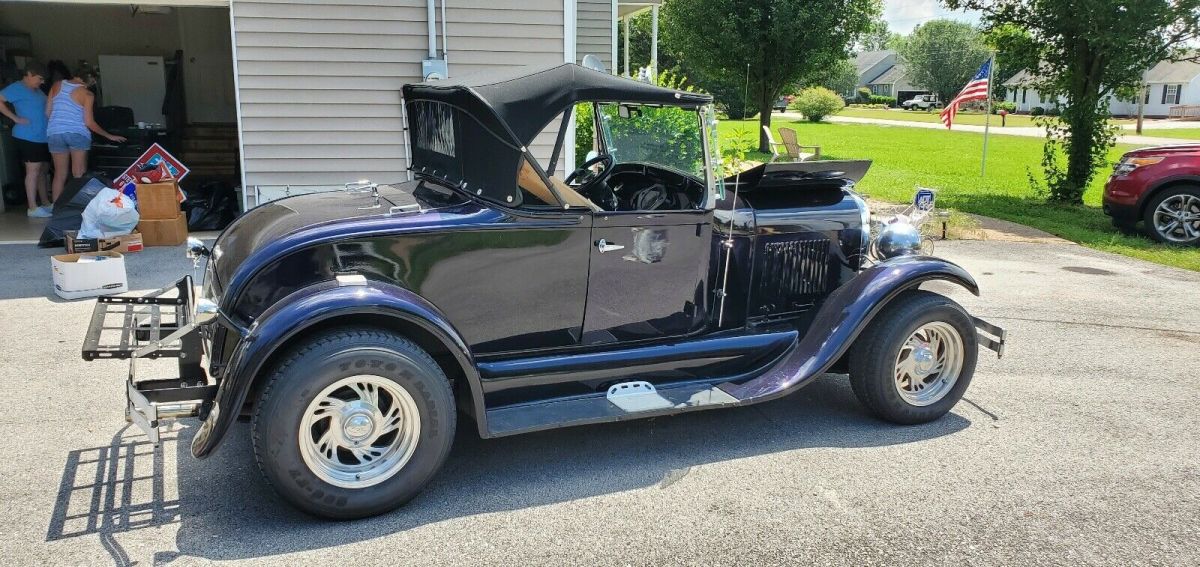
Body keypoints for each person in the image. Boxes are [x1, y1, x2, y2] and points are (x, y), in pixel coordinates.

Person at [45, 68, 125, 201]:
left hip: (55, 132)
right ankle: (77, 208)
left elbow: (48, 112)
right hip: (77, 133)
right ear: (90, 80)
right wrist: (109, 136)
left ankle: (57, 209)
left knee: (59, 174)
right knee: (78, 174)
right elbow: (89, 122)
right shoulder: (87, 94)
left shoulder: (57, 85)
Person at [0, 62, 53, 217]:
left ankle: (45, 202)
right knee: (33, 171)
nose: (42, 82)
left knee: (43, 170)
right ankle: (32, 207)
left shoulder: (37, 90)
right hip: (27, 136)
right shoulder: (17, 87)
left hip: (41, 136)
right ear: (29, 74)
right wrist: (15, 118)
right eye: (40, 78)